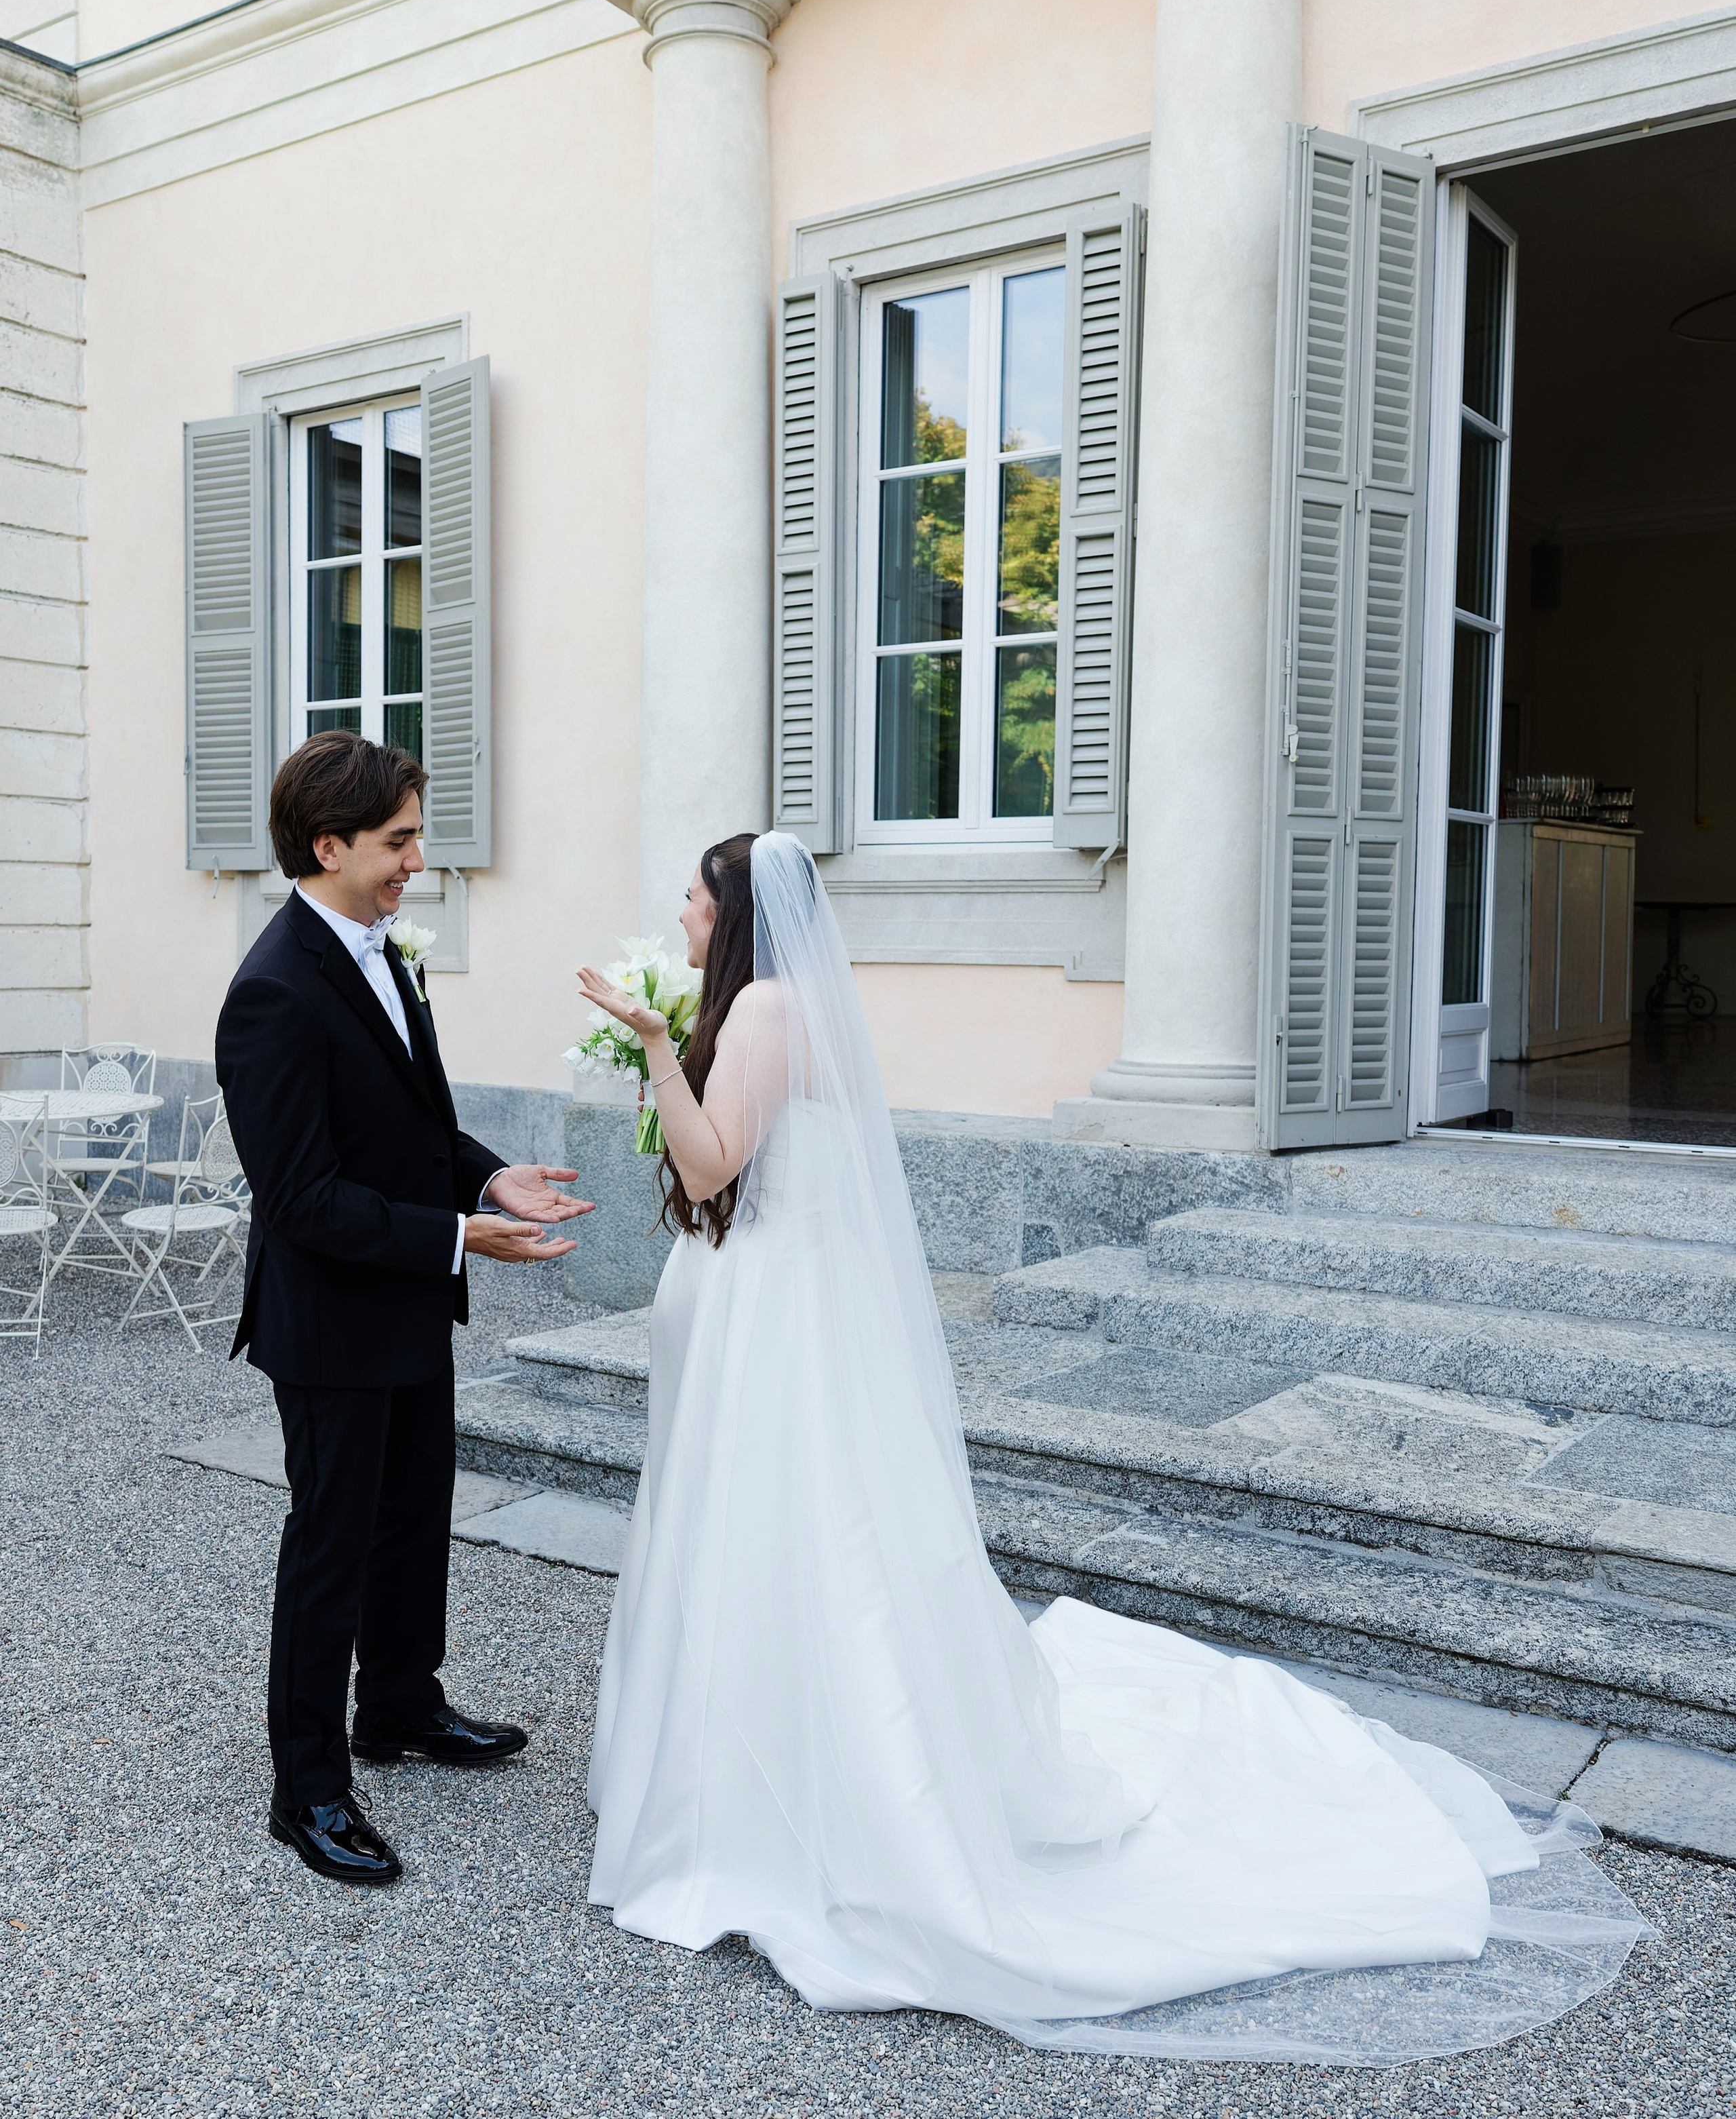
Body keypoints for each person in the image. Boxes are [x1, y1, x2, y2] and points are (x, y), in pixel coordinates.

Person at [576, 830, 1646, 2065]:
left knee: (773, 1528)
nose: (682, 914)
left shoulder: (761, 1008)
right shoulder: (792, 1003)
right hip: (781, 1303)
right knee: (803, 1534)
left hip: (771, 1320)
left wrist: (656, 1049)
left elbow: (710, 1161)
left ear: (740, 913)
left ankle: (777, 1800)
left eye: (696, 899)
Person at [218, 732, 591, 1888]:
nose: (416, 862)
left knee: (414, 1513)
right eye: (397, 842)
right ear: (326, 847)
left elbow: (411, 1124)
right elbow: (300, 1198)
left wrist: (483, 1177)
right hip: (331, 1321)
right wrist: (456, 1237)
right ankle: (310, 1786)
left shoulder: (386, 952)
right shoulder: (273, 992)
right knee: (329, 1544)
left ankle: (398, 1707)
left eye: (415, 836)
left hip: (411, 1304)